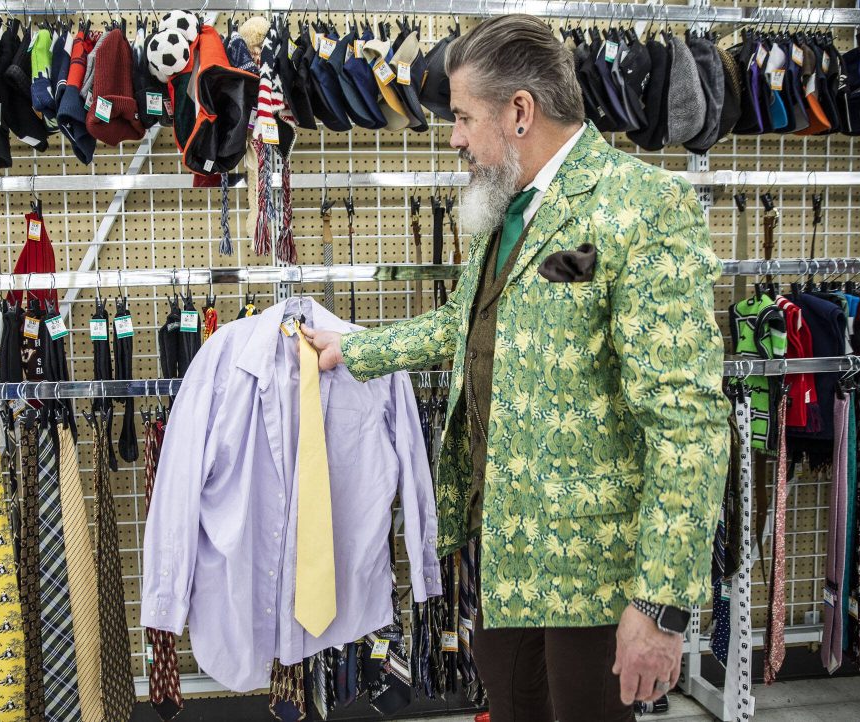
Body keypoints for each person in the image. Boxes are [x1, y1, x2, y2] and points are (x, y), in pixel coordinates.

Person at [303, 14, 730, 722]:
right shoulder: (505, 208)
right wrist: (353, 350)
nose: (455, 137)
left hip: (596, 578)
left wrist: (659, 606)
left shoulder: (645, 207)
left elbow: (689, 421)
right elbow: (462, 324)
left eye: (465, 117)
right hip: (502, 558)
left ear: (520, 112)